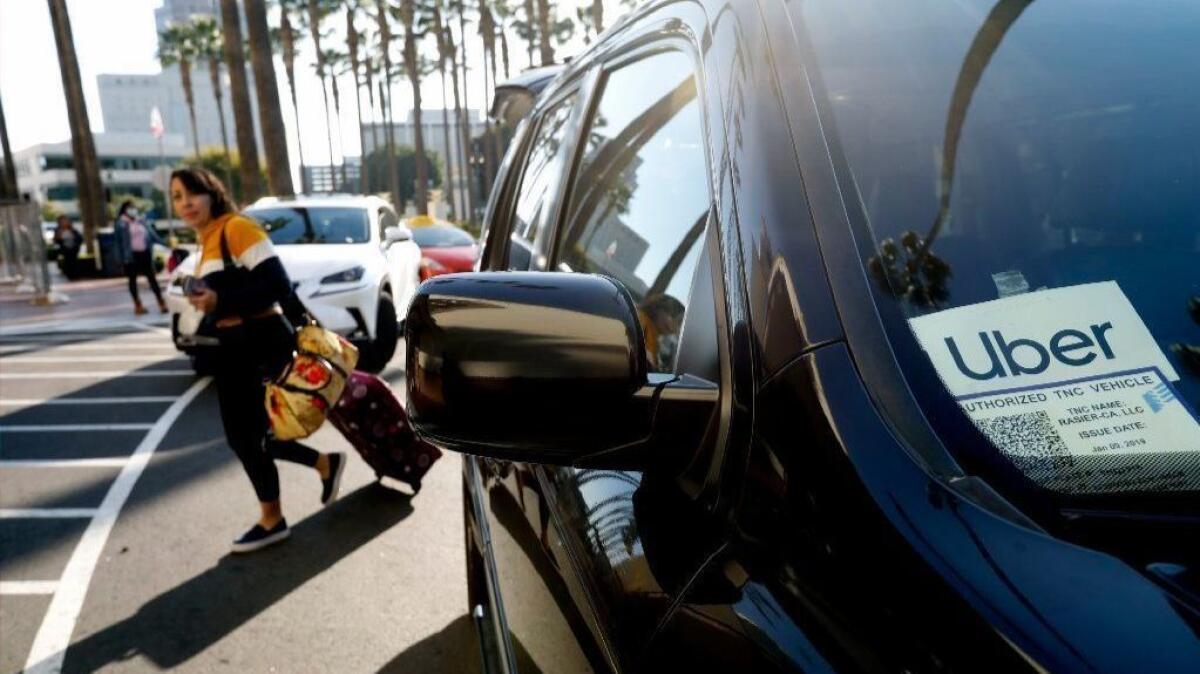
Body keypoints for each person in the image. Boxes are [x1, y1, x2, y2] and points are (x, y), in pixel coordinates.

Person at [171, 167, 346, 553]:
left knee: (247, 435)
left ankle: (274, 518)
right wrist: (206, 300)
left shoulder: (237, 228)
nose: (184, 204)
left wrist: (221, 301)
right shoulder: (209, 241)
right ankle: (320, 468)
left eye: (190, 194)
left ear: (211, 193)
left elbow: (277, 286)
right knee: (251, 435)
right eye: (176, 197)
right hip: (233, 346)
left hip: (260, 343)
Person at [113, 201, 167, 314]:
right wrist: (120, 259)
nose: (133, 210)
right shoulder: (121, 223)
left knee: (152, 279)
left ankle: (161, 303)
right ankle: (138, 306)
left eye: (134, 207)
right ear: (124, 210)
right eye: (130, 208)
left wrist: (165, 243)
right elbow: (118, 243)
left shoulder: (141, 221)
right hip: (131, 256)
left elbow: (152, 235)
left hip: (145, 253)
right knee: (132, 281)